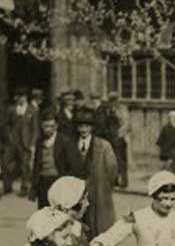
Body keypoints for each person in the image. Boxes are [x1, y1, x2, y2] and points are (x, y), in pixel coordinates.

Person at [73, 107, 119, 237]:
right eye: (81, 126)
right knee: (77, 226)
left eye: (87, 126)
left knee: (96, 227)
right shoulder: (72, 144)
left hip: (97, 190)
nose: (83, 130)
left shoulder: (103, 146)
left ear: (91, 128)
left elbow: (112, 169)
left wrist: (104, 186)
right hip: (77, 191)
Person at [32, 110, 81, 209]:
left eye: (51, 126)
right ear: (41, 126)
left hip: (58, 181)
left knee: (58, 213)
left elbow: (73, 166)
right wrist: (34, 188)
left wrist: (69, 186)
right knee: (43, 213)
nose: (48, 129)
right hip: (43, 182)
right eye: (46, 126)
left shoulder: (65, 141)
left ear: (56, 126)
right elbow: (36, 166)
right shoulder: (39, 142)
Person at [4, 89, 37, 198]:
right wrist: (9, 135)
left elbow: (35, 128)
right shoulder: (12, 109)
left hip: (25, 142)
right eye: (19, 96)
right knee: (7, 163)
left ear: (27, 98)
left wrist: (32, 143)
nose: (21, 99)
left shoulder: (32, 110)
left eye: (23, 96)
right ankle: (7, 186)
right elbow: (7, 124)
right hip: (13, 141)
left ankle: (24, 188)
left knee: (25, 166)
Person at [99, 92, 130, 188]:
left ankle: (124, 181)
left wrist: (119, 136)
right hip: (111, 139)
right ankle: (115, 180)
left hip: (120, 139)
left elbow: (126, 125)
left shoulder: (122, 110)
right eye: (111, 101)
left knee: (121, 161)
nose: (113, 103)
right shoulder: (108, 110)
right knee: (112, 160)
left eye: (114, 100)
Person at [157, 110, 175, 174]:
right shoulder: (165, 128)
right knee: (167, 166)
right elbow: (161, 139)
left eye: (174, 118)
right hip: (167, 149)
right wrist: (161, 148)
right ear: (169, 118)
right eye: (171, 117)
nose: (172, 119)